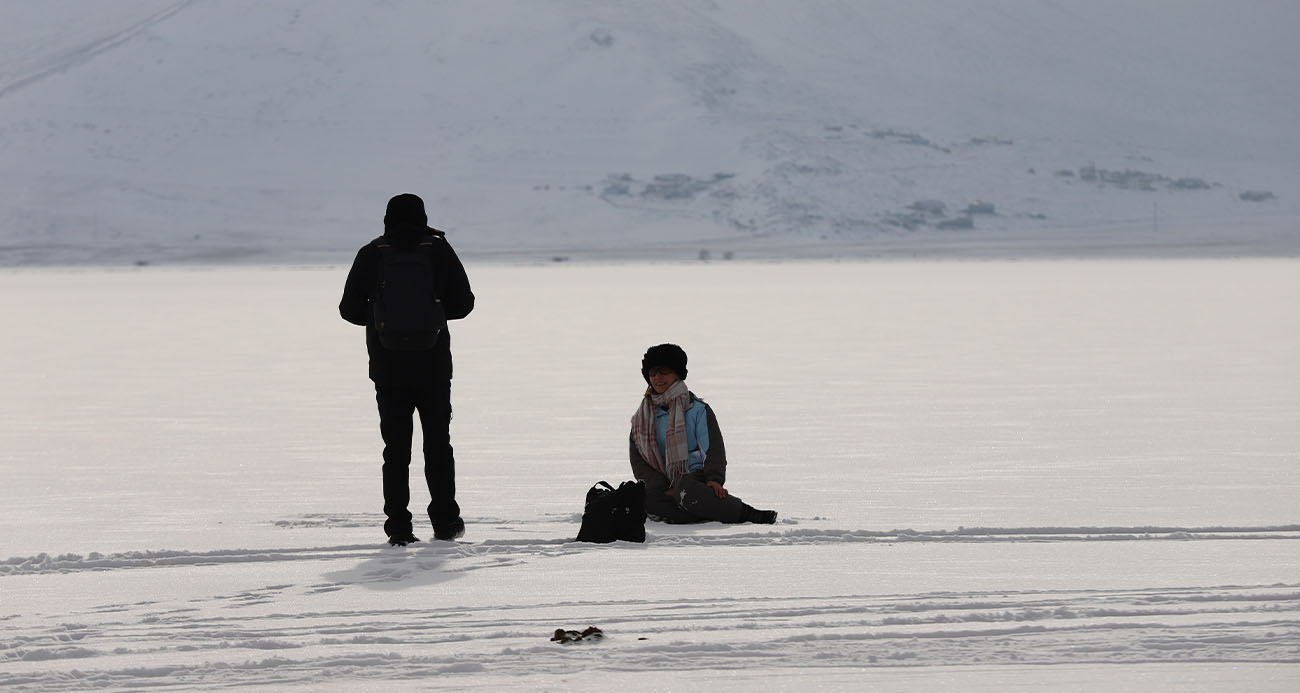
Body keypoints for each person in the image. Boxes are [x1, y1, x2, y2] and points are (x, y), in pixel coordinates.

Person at [339, 193, 475, 545]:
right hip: (433, 365)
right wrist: (431, 312)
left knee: (395, 449)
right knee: (438, 444)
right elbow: (464, 304)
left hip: (387, 367)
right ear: (422, 216)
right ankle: (446, 522)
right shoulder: (438, 249)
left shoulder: (373, 252)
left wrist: (381, 319)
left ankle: (399, 526)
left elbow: (349, 310)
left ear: (387, 218)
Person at [629, 344, 778, 525]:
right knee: (642, 498)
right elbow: (639, 462)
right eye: (653, 373)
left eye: (664, 371)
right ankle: (705, 511)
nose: (657, 378)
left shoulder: (697, 410)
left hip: (695, 477)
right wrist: (662, 487)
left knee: (687, 491)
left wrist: (714, 480)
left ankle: (747, 513)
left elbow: (713, 449)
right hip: (663, 485)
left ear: (677, 373)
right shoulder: (642, 418)